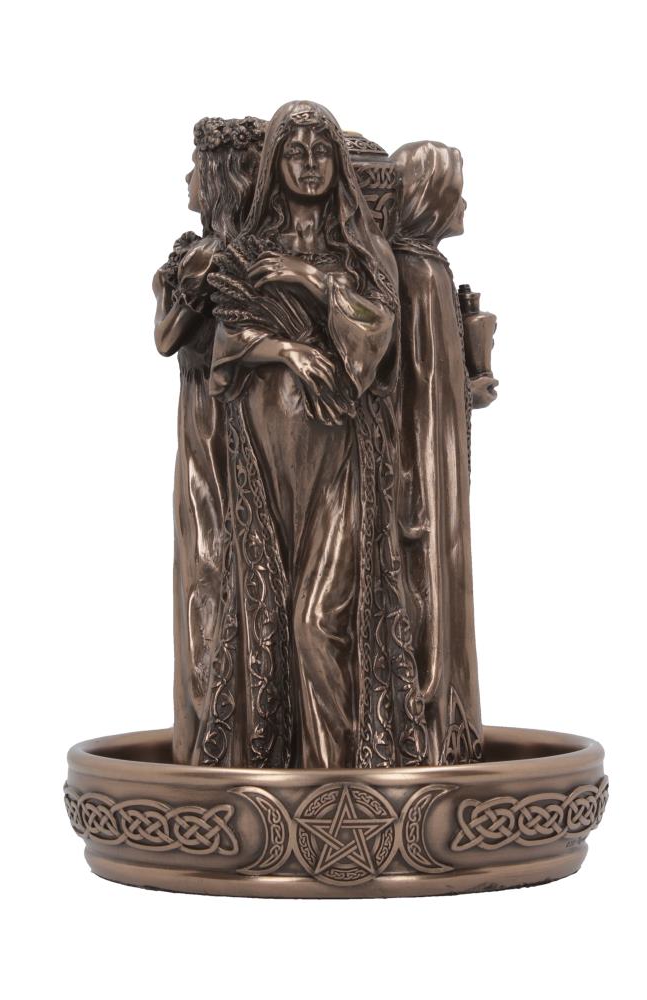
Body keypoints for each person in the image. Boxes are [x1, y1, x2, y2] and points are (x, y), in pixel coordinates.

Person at [200, 101, 428, 768]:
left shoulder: (362, 252)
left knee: (316, 620)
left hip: (341, 458)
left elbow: (377, 339)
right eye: (294, 151)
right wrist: (288, 352)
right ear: (274, 163)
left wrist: (310, 279)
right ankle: (278, 765)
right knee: (267, 617)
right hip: (267, 459)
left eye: (320, 150)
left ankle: (338, 778)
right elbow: (226, 340)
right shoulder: (248, 250)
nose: (308, 164)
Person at [152, 116, 264, 765]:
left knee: (224, 560)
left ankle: (233, 726)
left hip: (233, 415)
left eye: (197, 168)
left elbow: (171, 338)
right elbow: (168, 338)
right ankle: (212, 726)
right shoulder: (194, 255)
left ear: (221, 178)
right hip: (206, 414)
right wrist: (184, 289)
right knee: (207, 562)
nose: (188, 179)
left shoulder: (232, 257)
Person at [389, 140, 498, 764]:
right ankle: (428, 730)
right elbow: (417, 389)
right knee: (426, 585)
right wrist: (466, 390)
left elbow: (432, 383)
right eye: (455, 190)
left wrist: (467, 389)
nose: (464, 205)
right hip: (422, 470)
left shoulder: (425, 268)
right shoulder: (418, 273)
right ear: (429, 197)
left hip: (433, 461)